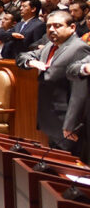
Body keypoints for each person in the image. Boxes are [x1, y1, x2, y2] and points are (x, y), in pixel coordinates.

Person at [18, 10, 90, 151]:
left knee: (69, 161)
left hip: (65, 121)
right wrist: (31, 62)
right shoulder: (50, 46)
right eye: (48, 26)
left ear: (72, 27)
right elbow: (23, 56)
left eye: (57, 26)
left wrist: (71, 124)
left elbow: (79, 91)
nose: (51, 29)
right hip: (50, 118)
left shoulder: (79, 48)